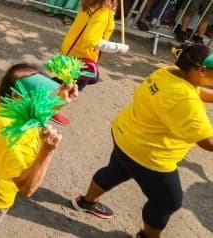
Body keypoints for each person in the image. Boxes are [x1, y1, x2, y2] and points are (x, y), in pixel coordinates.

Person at [72, 44, 213, 238]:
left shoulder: (170, 72)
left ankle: (85, 202)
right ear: (201, 70)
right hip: (148, 154)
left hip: (126, 134)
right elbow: (208, 142)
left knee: (116, 170)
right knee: (168, 201)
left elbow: (196, 90)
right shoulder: (186, 100)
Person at [0, 65, 76, 237]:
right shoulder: (6, 132)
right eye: (38, 96)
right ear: (16, 96)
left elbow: (32, 116)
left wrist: (59, 102)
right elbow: (26, 187)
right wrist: (47, 151)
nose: (45, 99)